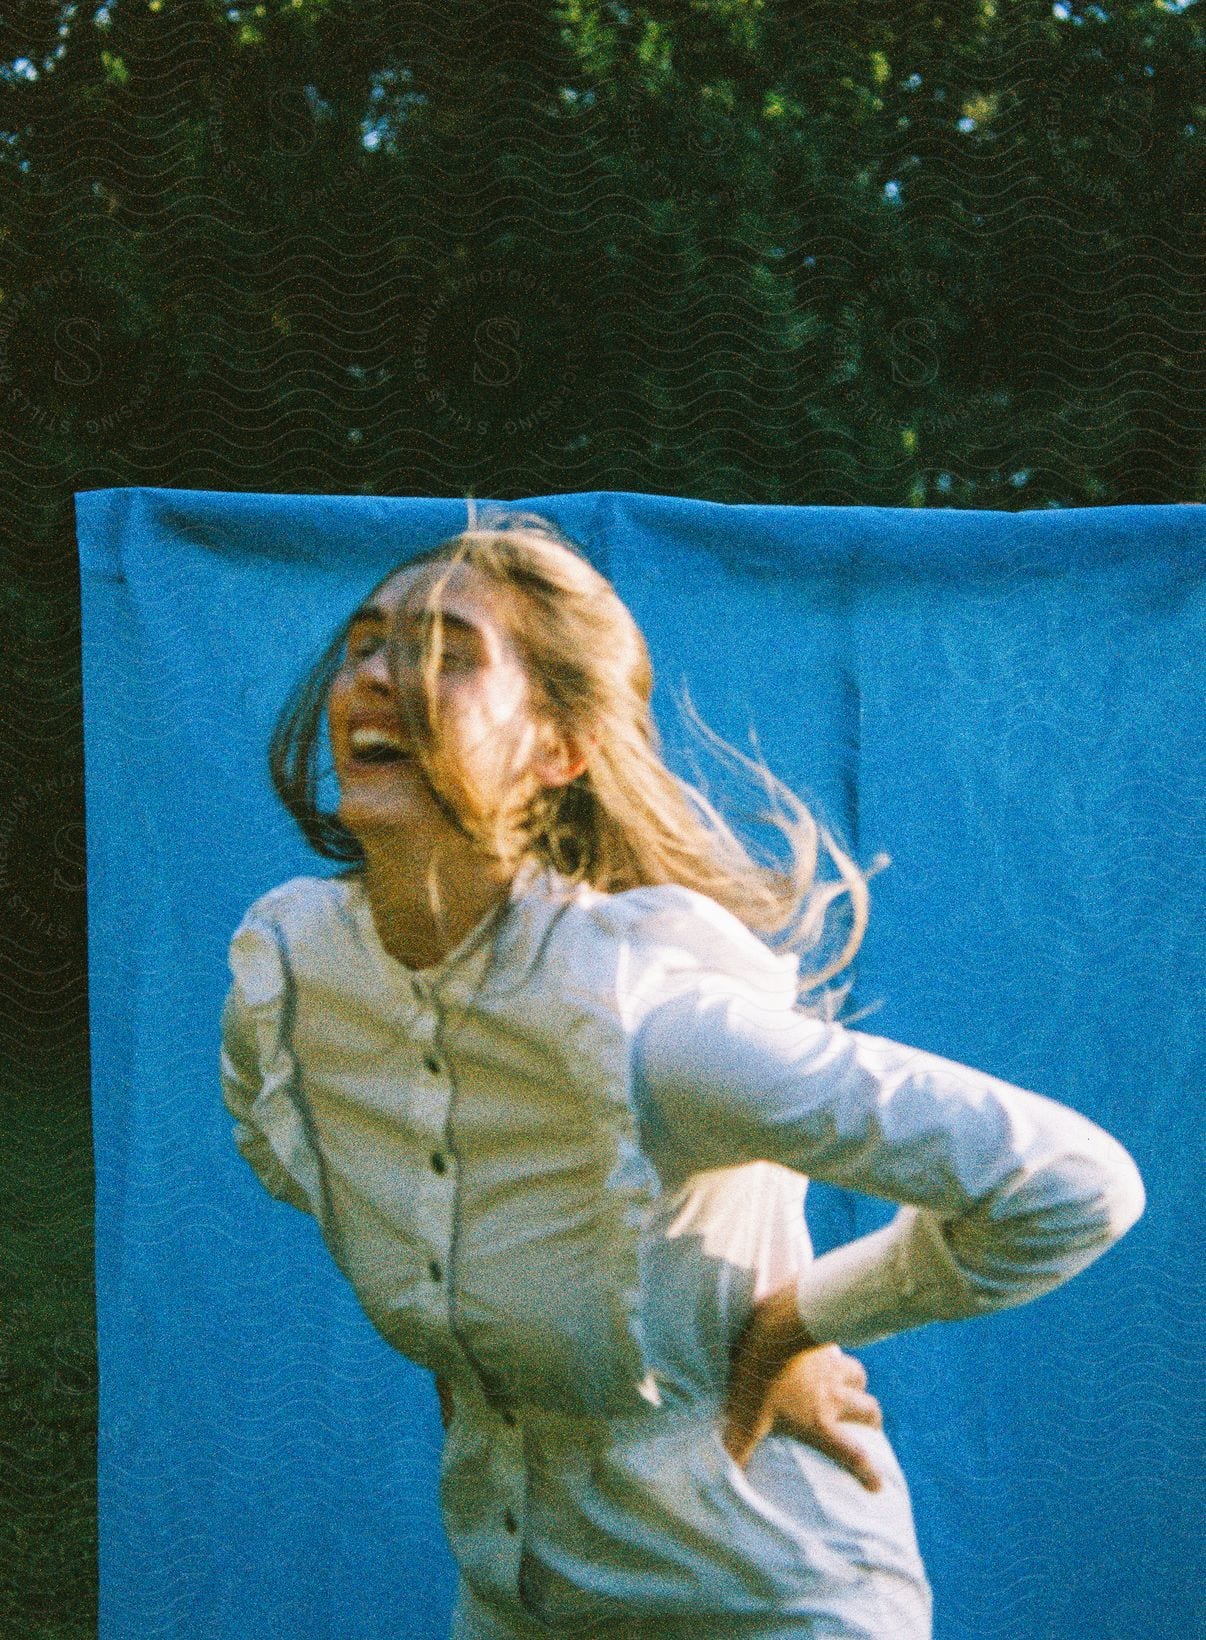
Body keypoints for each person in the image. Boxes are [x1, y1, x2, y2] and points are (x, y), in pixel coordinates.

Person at [219, 505, 1145, 1640]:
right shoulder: (296, 984)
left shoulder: (646, 1022)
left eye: (447, 654)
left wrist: (793, 1320)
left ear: (561, 750)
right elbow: (304, 1162)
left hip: (773, 1603)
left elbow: (1070, 1181)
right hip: (517, 1606)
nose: (375, 676)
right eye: (366, 644)